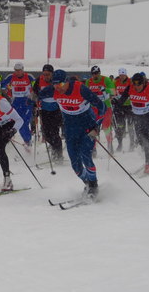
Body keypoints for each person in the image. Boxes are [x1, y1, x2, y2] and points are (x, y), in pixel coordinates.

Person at [40, 69, 106, 199]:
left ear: (66, 82)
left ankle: (93, 185)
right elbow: (38, 94)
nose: (57, 87)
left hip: (87, 127)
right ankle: (87, 183)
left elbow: (102, 107)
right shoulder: (52, 90)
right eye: (54, 84)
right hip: (70, 129)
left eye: (60, 84)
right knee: (75, 165)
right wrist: (32, 100)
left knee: (86, 155)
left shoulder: (80, 89)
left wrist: (96, 127)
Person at [118, 73, 149, 174]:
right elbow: (122, 99)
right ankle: (147, 153)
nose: (137, 87)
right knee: (140, 139)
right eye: (135, 84)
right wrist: (117, 106)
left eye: (139, 84)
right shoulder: (130, 88)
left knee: (147, 139)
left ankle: (148, 164)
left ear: (143, 83)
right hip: (137, 116)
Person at [33, 64, 63, 162]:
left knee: (54, 133)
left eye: (48, 74)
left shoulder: (57, 81)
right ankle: (54, 147)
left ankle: (58, 154)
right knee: (46, 134)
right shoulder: (39, 80)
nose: (46, 76)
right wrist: (34, 103)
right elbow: (34, 93)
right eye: (44, 74)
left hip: (56, 110)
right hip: (44, 111)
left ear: (52, 74)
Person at [0, 62, 35, 146]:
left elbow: (36, 87)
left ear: (23, 70)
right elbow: (2, 86)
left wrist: (33, 98)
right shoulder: (11, 77)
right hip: (16, 102)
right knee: (16, 122)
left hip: (26, 102)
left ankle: (28, 141)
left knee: (24, 123)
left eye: (19, 70)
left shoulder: (29, 76)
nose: (17, 72)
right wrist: (0, 83)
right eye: (16, 70)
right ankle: (23, 140)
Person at [85, 65, 116, 152]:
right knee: (93, 128)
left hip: (105, 107)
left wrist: (105, 89)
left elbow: (114, 91)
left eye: (97, 73)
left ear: (100, 73)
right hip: (93, 108)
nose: (96, 75)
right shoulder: (88, 82)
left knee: (106, 127)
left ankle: (110, 144)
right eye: (94, 74)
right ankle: (93, 148)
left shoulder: (106, 80)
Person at [112, 68, 135, 152]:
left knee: (130, 126)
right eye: (120, 75)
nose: (122, 77)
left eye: (123, 75)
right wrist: (114, 98)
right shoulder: (116, 82)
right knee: (120, 126)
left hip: (129, 106)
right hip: (119, 106)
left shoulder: (130, 82)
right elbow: (113, 92)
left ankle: (132, 144)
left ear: (126, 75)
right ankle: (120, 144)